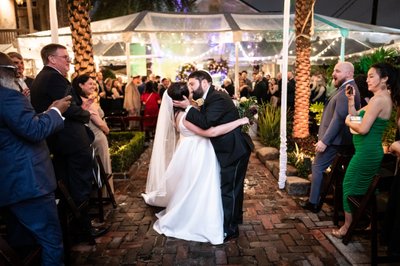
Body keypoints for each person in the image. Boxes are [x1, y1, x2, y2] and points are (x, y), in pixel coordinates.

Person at [143, 83, 249, 244]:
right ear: (184, 97)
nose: (193, 90)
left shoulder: (179, 113)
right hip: (199, 155)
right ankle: (200, 218)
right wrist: (239, 121)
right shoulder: (186, 117)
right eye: (190, 89)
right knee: (201, 188)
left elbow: (201, 109)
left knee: (190, 186)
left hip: (188, 151)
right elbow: (211, 132)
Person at [30, 43, 107, 242]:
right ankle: (83, 230)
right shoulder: (53, 78)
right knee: (80, 185)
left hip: (61, 142)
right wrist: (85, 114)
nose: (69, 61)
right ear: (52, 59)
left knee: (69, 186)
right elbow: (69, 108)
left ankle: (73, 227)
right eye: (65, 57)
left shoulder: (42, 78)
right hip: (71, 142)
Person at [0, 52, 71, 265]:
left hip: (10, 183)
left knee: (22, 243)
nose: (18, 75)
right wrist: (56, 112)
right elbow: (33, 131)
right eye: (13, 72)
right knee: (51, 241)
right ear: (5, 74)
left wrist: (45, 114)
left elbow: (17, 127)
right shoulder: (8, 97)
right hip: (29, 183)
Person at [173, 70, 253, 242]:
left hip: (234, 149)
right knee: (233, 189)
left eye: (192, 84)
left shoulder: (216, 97)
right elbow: (205, 115)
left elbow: (206, 123)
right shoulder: (211, 96)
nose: (191, 89)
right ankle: (234, 220)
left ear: (204, 83)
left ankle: (230, 229)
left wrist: (187, 107)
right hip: (232, 148)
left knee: (229, 189)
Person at [332, 62, 399, 238]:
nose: (367, 79)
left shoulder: (379, 100)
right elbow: (356, 116)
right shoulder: (380, 98)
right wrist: (350, 102)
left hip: (366, 153)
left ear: (384, 79)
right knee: (368, 188)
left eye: (371, 76)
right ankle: (371, 223)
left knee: (349, 185)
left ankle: (347, 227)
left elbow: (362, 128)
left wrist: (347, 121)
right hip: (368, 151)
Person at [299, 62, 361, 213]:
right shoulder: (344, 88)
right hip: (336, 140)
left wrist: (325, 141)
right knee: (319, 168)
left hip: (335, 141)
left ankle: (314, 203)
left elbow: (339, 119)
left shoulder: (348, 89)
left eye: (338, 71)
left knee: (318, 167)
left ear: (349, 74)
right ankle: (317, 200)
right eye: (334, 70)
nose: (334, 73)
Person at [72, 74, 114, 192]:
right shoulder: (86, 102)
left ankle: (103, 194)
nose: (93, 86)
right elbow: (99, 123)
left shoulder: (83, 101)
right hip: (98, 137)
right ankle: (105, 194)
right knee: (104, 168)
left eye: (94, 84)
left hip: (92, 137)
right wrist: (107, 130)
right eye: (90, 84)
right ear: (81, 85)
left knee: (99, 168)